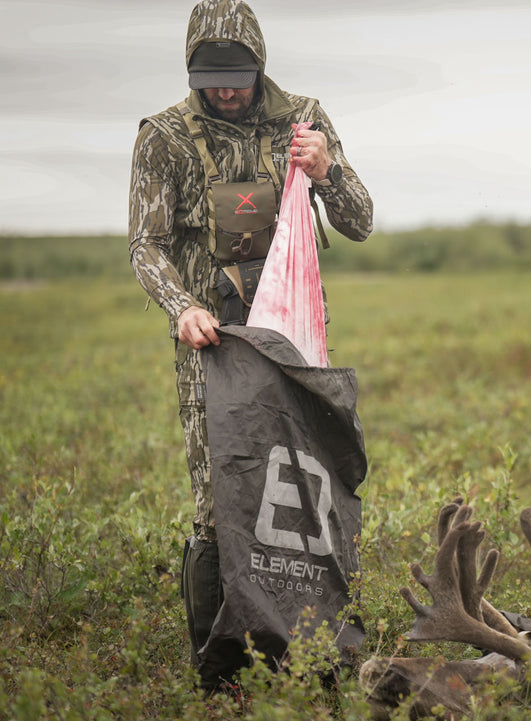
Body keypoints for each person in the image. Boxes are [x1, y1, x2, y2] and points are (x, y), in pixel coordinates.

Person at [127, 0, 373, 674]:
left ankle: (315, 653)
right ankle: (220, 672)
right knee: (220, 500)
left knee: (307, 484)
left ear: (260, 65)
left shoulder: (304, 118)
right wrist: (181, 306)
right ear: (191, 73)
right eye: (212, 80)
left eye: (238, 76)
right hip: (213, 345)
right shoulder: (165, 136)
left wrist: (328, 170)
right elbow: (146, 247)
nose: (227, 90)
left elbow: (360, 222)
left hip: (294, 346)